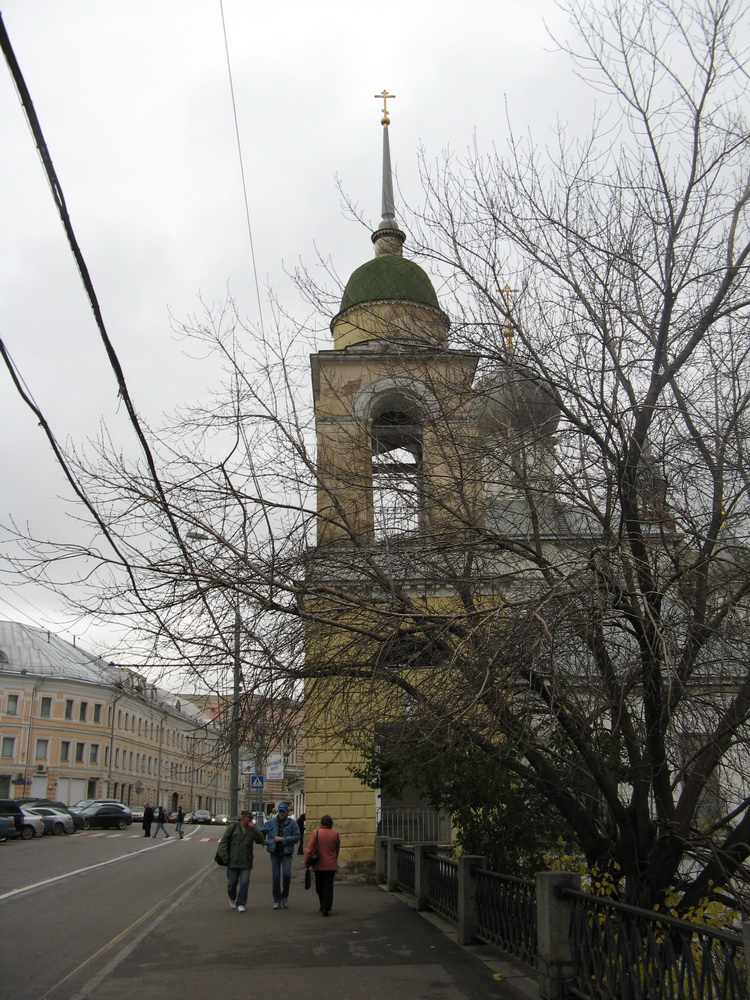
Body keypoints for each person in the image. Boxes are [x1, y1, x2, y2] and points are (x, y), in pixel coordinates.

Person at [217, 810, 265, 912]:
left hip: (246, 861)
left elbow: (260, 839)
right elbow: (224, 842)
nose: (251, 820)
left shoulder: (251, 829)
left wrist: (255, 828)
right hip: (233, 861)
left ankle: (241, 903)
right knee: (231, 884)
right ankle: (232, 897)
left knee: (244, 883)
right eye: (249, 818)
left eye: (251, 818)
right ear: (243, 817)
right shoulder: (232, 828)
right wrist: (224, 856)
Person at [260, 802, 300, 909]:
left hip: (286, 852)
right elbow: (261, 831)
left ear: (287, 812)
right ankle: (277, 900)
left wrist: (283, 839)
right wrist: (263, 840)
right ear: (278, 812)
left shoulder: (292, 824)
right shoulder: (271, 822)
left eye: (283, 811)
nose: (281, 813)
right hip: (275, 852)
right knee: (276, 877)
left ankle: (285, 896)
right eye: (280, 811)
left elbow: (297, 837)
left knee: (287, 875)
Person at [304, 815, 340, 916]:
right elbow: (337, 848)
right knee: (328, 886)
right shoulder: (335, 834)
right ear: (331, 823)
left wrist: (306, 862)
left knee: (319, 886)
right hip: (331, 864)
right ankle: (327, 907)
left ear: (321, 823)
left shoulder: (316, 833)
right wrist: (334, 858)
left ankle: (322, 904)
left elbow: (309, 849)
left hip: (318, 864)